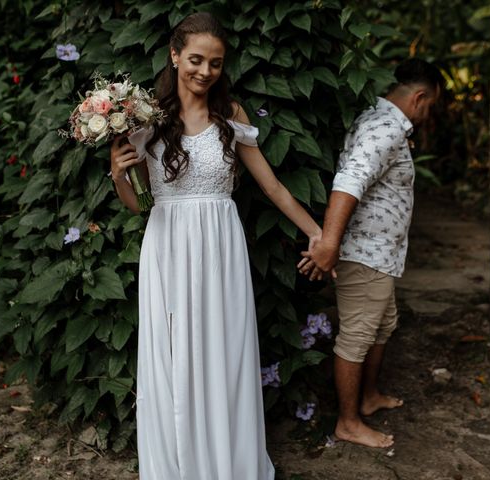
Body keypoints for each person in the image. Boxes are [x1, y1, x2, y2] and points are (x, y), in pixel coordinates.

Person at [110, 12, 322, 480]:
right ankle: (177, 465)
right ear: (174, 55)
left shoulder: (232, 115)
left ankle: (225, 462)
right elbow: (138, 204)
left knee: (222, 353)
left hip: (220, 250)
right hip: (167, 247)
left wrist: (317, 233)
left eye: (216, 63)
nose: (205, 72)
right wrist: (119, 173)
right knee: (172, 356)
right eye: (196, 60)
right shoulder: (146, 118)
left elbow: (274, 188)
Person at [298, 58, 443, 448]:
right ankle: (348, 422)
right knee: (357, 338)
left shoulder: (380, 120)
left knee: (383, 325)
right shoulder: (386, 129)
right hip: (365, 255)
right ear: (419, 97)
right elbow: (349, 180)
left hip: (381, 256)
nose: (427, 114)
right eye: (430, 106)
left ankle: (368, 396)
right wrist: (329, 244)